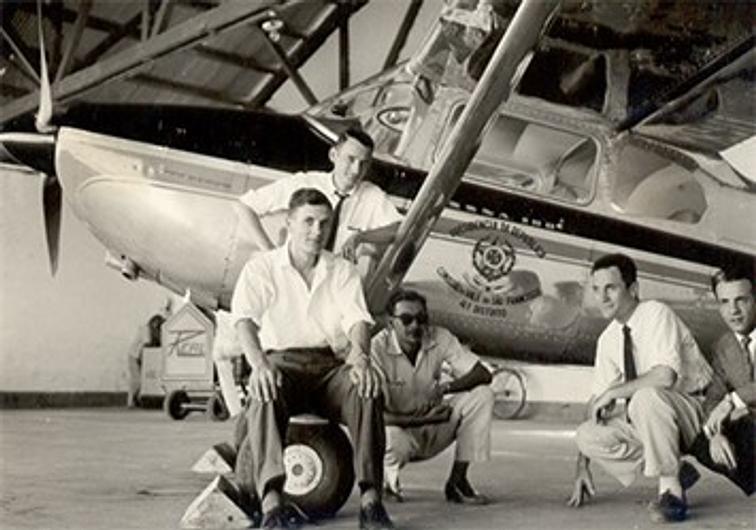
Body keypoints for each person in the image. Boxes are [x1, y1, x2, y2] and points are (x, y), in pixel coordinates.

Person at [231, 188, 394, 530]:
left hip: (328, 368)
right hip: (282, 364)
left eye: (324, 223)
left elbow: (357, 320)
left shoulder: (342, 270)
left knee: (366, 388)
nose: (317, 231)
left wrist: (361, 358)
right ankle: (272, 504)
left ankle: (371, 502)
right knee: (263, 389)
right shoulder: (262, 268)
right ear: (289, 223)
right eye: (308, 222)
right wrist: (258, 364)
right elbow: (244, 320)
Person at [567, 253, 712, 523]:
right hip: (653, 419)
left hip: (694, 411)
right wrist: (581, 465)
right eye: (596, 289)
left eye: (611, 288)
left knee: (645, 397)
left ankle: (671, 494)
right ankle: (676, 469)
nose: (602, 297)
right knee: (587, 435)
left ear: (633, 289)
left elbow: (665, 376)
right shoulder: (608, 339)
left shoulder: (656, 313)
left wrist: (614, 392)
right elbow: (595, 403)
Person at [370, 288, 494, 504]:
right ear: (391, 323)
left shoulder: (440, 337)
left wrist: (446, 388)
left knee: (483, 395)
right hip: (398, 431)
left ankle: (458, 482)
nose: (415, 326)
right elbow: (374, 415)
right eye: (406, 319)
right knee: (388, 436)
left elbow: (483, 373)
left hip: (433, 425)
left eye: (421, 319)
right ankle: (387, 484)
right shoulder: (376, 349)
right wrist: (420, 419)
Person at [236, 127, 401, 278]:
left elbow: (399, 229)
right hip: (292, 278)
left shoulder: (372, 196)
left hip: (334, 285)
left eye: (364, 163)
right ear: (333, 155)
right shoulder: (304, 183)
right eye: (351, 159)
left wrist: (360, 237)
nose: (356, 170)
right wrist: (269, 252)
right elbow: (245, 205)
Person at [688, 263, 755, 495]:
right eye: (724, 302)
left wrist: (732, 402)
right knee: (702, 443)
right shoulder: (724, 346)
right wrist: (716, 434)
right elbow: (713, 398)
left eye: (741, 300)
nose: (733, 310)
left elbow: (726, 401)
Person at [126, 298, 172, 407]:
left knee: (140, 380)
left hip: (138, 356)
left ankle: (134, 400)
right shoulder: (145, 331)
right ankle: (131, 401)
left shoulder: (147, 328)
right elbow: (148, 346)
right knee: (137, 380)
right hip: (134, 356)